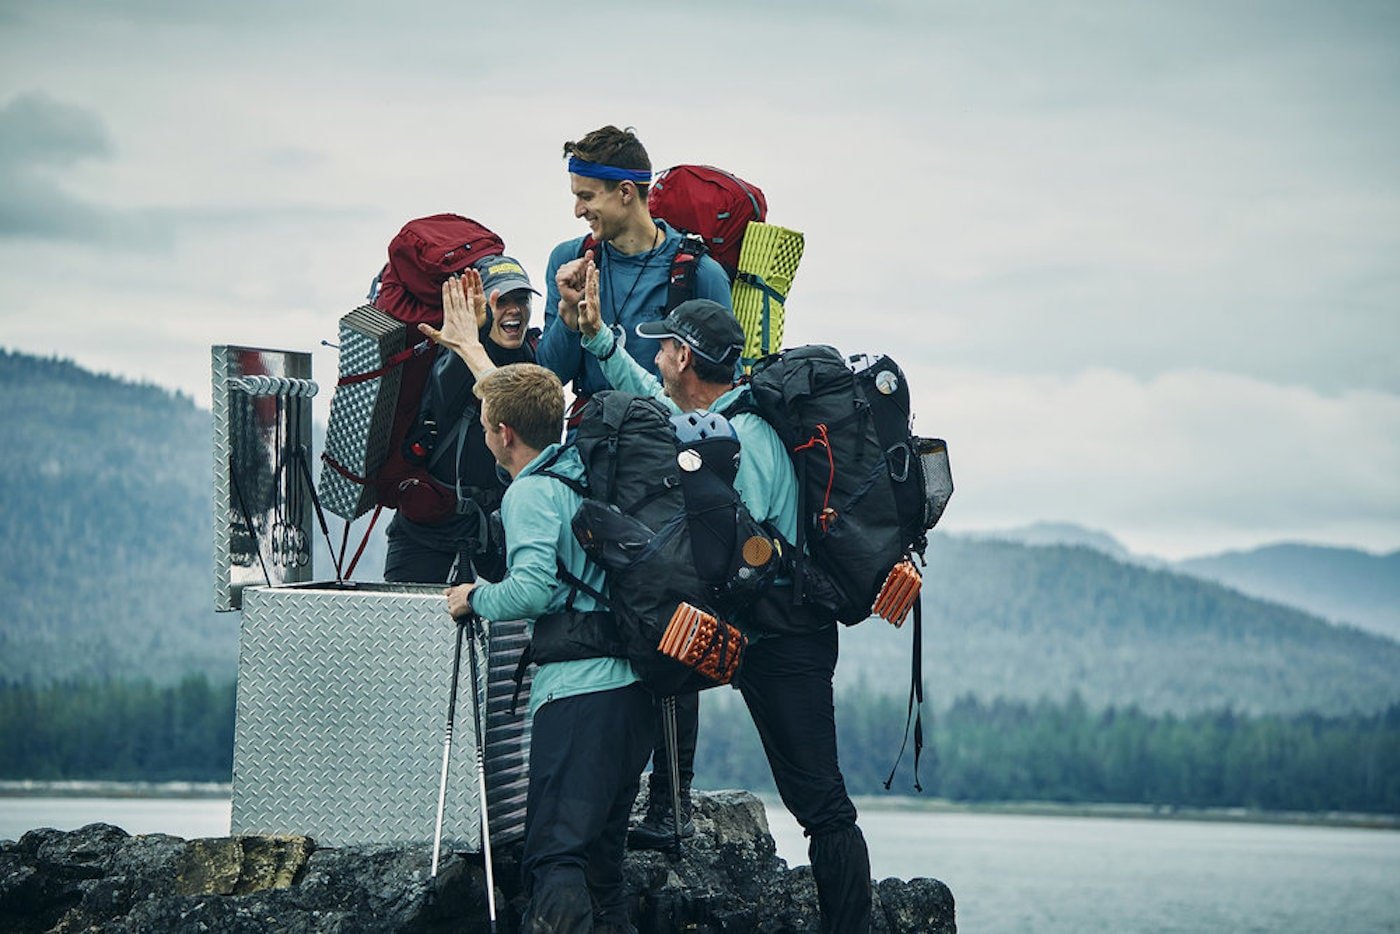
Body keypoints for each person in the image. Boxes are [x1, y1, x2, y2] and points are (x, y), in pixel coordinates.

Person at [576, 262, 875, 932]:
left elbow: (736, 553)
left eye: (662, 348)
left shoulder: (740, 439)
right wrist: (598, 340)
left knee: (822, 804)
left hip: (783, 639)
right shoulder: (725, 421)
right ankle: (658, 817)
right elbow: (654, 404)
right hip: (766, 632)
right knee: (650, 673)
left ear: (683, 356)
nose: (655, 358)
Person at [420, 270, 654, 934]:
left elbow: (532, 590)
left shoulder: (530, 492)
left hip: (578, 697)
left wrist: (473, 597)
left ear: (500, 434)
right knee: (603, 863)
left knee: (555, 855)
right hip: (632, 690)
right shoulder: (583, 470)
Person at [535, 124, 732, 849]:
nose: (578, 211)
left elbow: (713, 390)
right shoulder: (571, 258)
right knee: (594, 625)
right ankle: (603, 796)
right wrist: (565, 311)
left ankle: (670, 804)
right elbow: (553, 373)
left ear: (628, 193)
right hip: (590, 469)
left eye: (587, 196)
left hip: (668, 476)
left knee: (673, 624)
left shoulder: (695, 274)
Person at [382, 256, 539, 585]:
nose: (514, 310)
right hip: (429, 529)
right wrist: (471, 335)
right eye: (502, 301)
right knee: (412, 630)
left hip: (493, 529)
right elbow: (447, 386)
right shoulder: (454, 357)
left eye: (521, 299)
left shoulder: (530, 355)